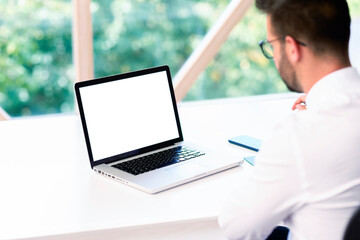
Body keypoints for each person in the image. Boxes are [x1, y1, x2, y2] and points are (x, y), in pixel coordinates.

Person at [218, 0, 360, 239]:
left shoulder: (299, 137)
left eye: (271, 45)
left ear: (292, 47)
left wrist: (277, 155)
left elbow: (236, 228)